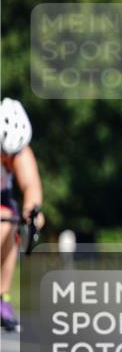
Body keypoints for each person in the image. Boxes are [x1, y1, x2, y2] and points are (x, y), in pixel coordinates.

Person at [0, 98, 44, 332]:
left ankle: (1, 297)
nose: (7, 159)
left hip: (2, 198)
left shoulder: (20, 152)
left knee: (10, 223)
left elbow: (31, 188)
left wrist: (32, 214)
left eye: (11, 153)